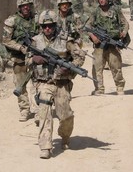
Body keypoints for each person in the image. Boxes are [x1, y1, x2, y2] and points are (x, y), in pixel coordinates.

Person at [27, 10, 85, 159]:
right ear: (41, 26)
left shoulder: (65, 40)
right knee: (44, 111)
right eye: (45, 26)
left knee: (65, 115)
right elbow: (26, 59)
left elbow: (80, 56)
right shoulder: (35, 41)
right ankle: (45, 146)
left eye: (51, 26)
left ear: (55, 25)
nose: (48, 29)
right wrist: (34, 60)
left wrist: (70, 66)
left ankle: (65, 136)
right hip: (43, 83)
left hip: (62, 83)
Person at [2, 0, 40, 122]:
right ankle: (24, 110)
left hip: (35, 57)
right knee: (20, 84)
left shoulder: (37, 19)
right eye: (23, 6)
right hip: (19, 58)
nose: (26, 8)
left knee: (37, 83)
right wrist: (20, 48)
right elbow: (6, 40)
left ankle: (37, 109)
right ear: (19, 7)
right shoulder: (12, 21)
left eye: (28, 5)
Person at [88, 0, 129, 95]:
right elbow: (88, 26)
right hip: (99, 45)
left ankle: (120, 87)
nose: (101, 0)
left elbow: (125, 23)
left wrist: (124, 33)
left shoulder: (115, 10)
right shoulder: (95, 12)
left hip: (112, 44)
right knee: (97, 67)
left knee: (116, 66)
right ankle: (99, 89)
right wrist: (93, 36)